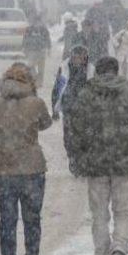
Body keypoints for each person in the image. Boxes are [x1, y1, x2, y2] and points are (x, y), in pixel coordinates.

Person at [68, 57, 128, 255]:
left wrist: (76, 157)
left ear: (97, 72)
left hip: (95, 164)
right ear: (116, 70)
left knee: (99, 215)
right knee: (123, 212)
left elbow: (75, 129)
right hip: (124, 162)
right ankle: (119, 249)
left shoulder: (86, 94)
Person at [0, 64, 53, 255]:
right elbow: (45, 124)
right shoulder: (36, 103)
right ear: (28, 83)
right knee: (32, 220)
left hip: (2, 169)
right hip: (32, 169)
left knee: (7, 220)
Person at [50, 45, 95, 173]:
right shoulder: (63, 69)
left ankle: (84, 160)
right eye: (76, 57)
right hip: (69, 108)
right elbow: (56, 89)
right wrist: (54, 109)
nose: (78, 60)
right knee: (69, 137)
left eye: (82, 57)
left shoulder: (91, 70)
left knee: (86, 136)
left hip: (87, 109)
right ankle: (73, 158)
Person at [22, 16, 52, 87]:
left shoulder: (43, 29)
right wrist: (24, 47)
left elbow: (47, 38)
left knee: (41, 68)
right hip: (32, 51)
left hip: (41, 50)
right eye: (36, 22)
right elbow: (25, 38)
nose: (37, 23)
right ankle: (35, 78)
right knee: (30, 65)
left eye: (38, 22)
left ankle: (39, 83)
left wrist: (49, 48)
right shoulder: (29, 29)